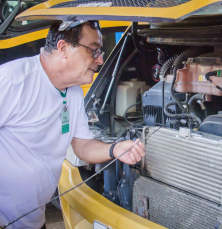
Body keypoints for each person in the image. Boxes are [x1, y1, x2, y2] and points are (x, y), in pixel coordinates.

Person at [0, 20, 145, 229]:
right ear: (63, 48)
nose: (101, 59)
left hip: (33, 220)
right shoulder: (12, 81)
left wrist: (115, 149)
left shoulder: (74, 92)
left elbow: (83, 146)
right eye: (94, 50)